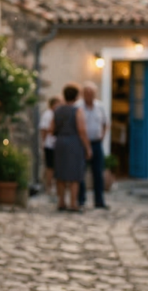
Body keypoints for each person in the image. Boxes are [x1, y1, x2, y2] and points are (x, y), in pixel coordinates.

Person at [48, 83, 92, 212]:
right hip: (74, 142)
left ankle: (61, 202)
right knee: (74, 174)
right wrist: (88, 148)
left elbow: (51, 129)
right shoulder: (77, 111)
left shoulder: (57, 110)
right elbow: (82, 130)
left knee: (60, 173)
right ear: (77, 96)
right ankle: (73, 203)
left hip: (60, 142)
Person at [77, 82, 110, 210]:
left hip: (96, 142)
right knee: (81, 171)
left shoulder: (100, 107)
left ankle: (99, 200)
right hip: (82, 143)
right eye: (87, 93)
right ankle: (81, 199)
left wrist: (102, 136)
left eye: (91, 93)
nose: (89, 95)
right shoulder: (78, 107)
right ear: (83, 94)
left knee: (98, 172)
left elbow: (105, 123)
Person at [40, 96, 63, 197]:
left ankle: (53, 185)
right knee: (50, 166)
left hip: (56, 144)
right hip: (50, 144)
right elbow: (44, 129)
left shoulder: (55, 114)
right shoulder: (48, 114)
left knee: (55, 166)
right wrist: (43, 142)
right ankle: (48, 185)